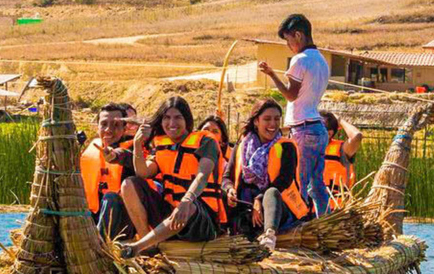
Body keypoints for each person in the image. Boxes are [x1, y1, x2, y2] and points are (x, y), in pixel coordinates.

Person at [119, 97, 224, 258]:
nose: (171, 123)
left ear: (187, 120)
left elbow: (203, 175)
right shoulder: (161, 144)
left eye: (178, 117)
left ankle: (138, 247)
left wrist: (187, 200)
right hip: (170, 213)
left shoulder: (205, 141)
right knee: (129, 184)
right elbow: (143, 173)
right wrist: (137, 144)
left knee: (188, 207)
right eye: (166, 118)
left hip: (200, 219)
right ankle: (149, 244)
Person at [258, 14, 331, 216]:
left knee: (300, 181)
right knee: (317, 183)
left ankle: (302, 221)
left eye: (289, 40)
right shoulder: (322, 61)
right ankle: (324, 220)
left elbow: (291, 95)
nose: (289, 45)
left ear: (298, 35)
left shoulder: (300, 60)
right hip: (318, 127)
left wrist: (272, 75)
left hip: (303, 128)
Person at [221, 99, 312, 250]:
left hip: (277, 206)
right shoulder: (242, 145)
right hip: (246, 204)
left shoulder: (286, 146)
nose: (273, 124)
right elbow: (226, 177)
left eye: (277, 119)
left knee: (271, 193)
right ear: (256, 121)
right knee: (221, 195)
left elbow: (284, 180)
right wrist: (230, 190)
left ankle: (269, 235)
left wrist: (259, 199)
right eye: (267, 119)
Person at [79, 103, 138, 240]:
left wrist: (113, 156)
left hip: (122, 225)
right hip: (91, 217)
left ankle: (99, 247)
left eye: (116, 125)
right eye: (104, 124)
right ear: (97, 126)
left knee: (110, 198)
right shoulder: (90, 149)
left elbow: (124, 156)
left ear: (124, 128)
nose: (108, 130)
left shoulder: (134, 151)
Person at [320, 111, 363, 207]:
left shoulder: (341, 150)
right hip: (306, 214)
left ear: (329, 133)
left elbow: (356, 136)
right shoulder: (304, 147)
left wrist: (340, 120)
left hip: (334, 211)